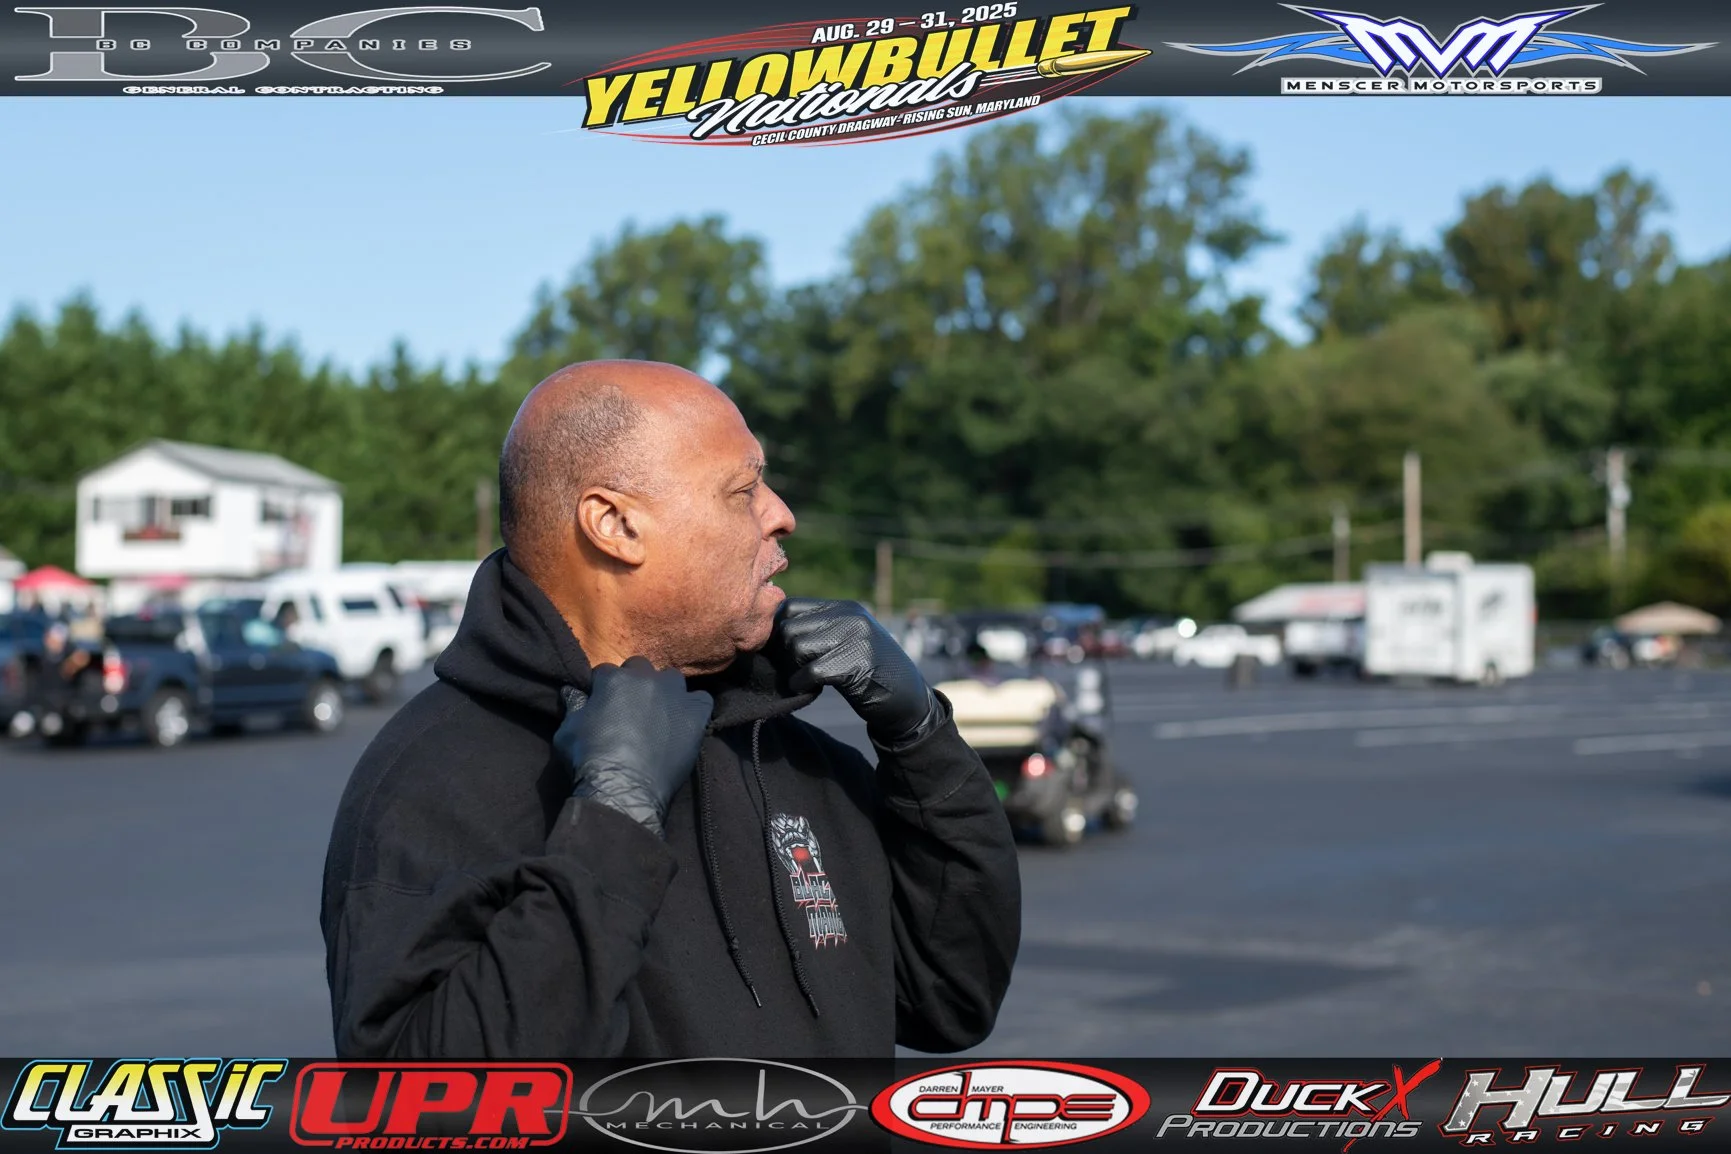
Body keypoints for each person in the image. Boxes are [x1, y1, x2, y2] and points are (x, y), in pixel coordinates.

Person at [321, 360, 1021, 1058]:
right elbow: (424, 1097)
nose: (781, 515)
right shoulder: (435, 777)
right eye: (742, 490)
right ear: (615, 524)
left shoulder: (789, 750)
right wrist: (613, 821)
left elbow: (952, 996)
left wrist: (919, 738)